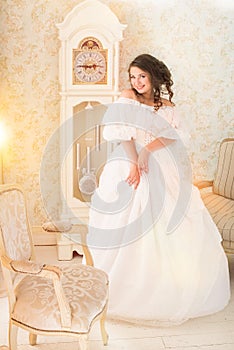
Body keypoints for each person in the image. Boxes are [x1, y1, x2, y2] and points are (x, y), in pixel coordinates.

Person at [85, 54, 230, 326]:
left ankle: (165, 287)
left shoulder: (167, 105)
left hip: (160, 163)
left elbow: (172, 135)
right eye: (133, 76)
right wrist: (134, 162)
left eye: (142, 76)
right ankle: (121, 286)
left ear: (154, 76)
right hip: (128, 162)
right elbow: (123, 133)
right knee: (129, 217)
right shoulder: (128, 97)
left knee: (168, 223)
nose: (137, 82)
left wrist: (148, 153)